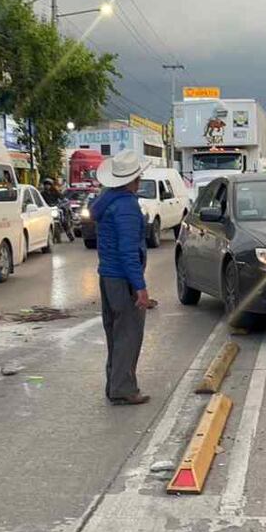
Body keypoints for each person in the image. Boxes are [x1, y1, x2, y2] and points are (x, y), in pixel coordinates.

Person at [91, 150, 151, 406]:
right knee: (128, 333)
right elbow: (128, 251)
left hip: (107, 275)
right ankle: (123, 388)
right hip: (122, 278)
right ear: (131, 180)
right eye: (138, 177)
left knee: (115, 333)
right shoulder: (126, 206)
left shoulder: (106, 200)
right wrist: (140, 287)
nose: (140, 181)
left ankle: (114, 384)